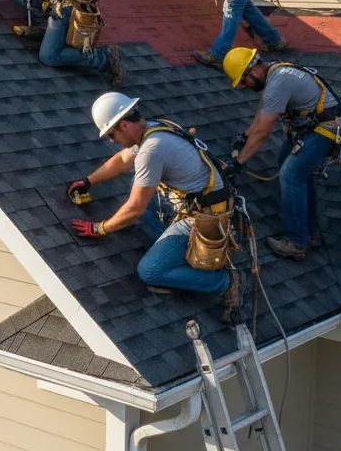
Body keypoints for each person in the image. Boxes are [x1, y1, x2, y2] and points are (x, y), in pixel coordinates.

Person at [66, 91, 241, 305]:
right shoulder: (154, 128)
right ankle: (179, 253)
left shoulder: (152, 150)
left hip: (205, 220)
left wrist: (99, 228)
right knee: (140, 191)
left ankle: (223, 281)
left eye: (112, 135)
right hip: (203, 206)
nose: (112, 141)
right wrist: (88, 182)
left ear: (124, 125)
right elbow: (122, 160)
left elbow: (134, 209)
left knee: (150, 271)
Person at [222, 47, 341, 260]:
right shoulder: (274, 74)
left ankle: (296, 242)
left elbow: (262, 133)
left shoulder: (278, 83)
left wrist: (239, 163)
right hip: (310, 127)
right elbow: (262, 113)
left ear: (254, 69)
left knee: (291, 175)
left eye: (244, 80)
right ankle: (311, 234)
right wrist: (245, 135)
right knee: (290, 167)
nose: (244, 86)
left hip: (326, 128)